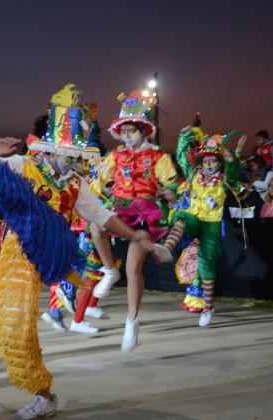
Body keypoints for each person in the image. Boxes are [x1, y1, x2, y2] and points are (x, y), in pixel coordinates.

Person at [0, 83, 171, 419]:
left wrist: (137, 238)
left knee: (21, 322)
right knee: (16, 326)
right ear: (48, 149)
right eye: (62, 153)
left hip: (48, 249)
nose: (68, 160)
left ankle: (44, 391)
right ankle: (43, 394)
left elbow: (104, 216)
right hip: (18, 246)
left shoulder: (75, 187)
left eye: (73, 156)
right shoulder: (26, 164)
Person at [95, 89, 179, 351]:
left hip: (145, 213)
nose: (127, 135)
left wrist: (169, 192)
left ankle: (132, 320)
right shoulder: (116, 156)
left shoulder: (158, 157)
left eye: (132, 130)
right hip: (119, 209)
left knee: (133, 269)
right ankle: (110, 270)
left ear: (143, 131)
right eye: (124, 130)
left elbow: (173, 183)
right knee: (96, 223)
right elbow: (98, 180)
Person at [161, 125, 246, 326]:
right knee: (181, 216)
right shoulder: (194, 174)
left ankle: (207, 308)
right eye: (205, 160)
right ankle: (166, 248)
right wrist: (184, 135)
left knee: (207, 265)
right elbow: (182, 156)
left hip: (212, 225)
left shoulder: (225, 180)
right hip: (194, 218)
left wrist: (230, 156)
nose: (208, 164)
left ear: (218, 163)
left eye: (212, 160)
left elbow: (234, 170)